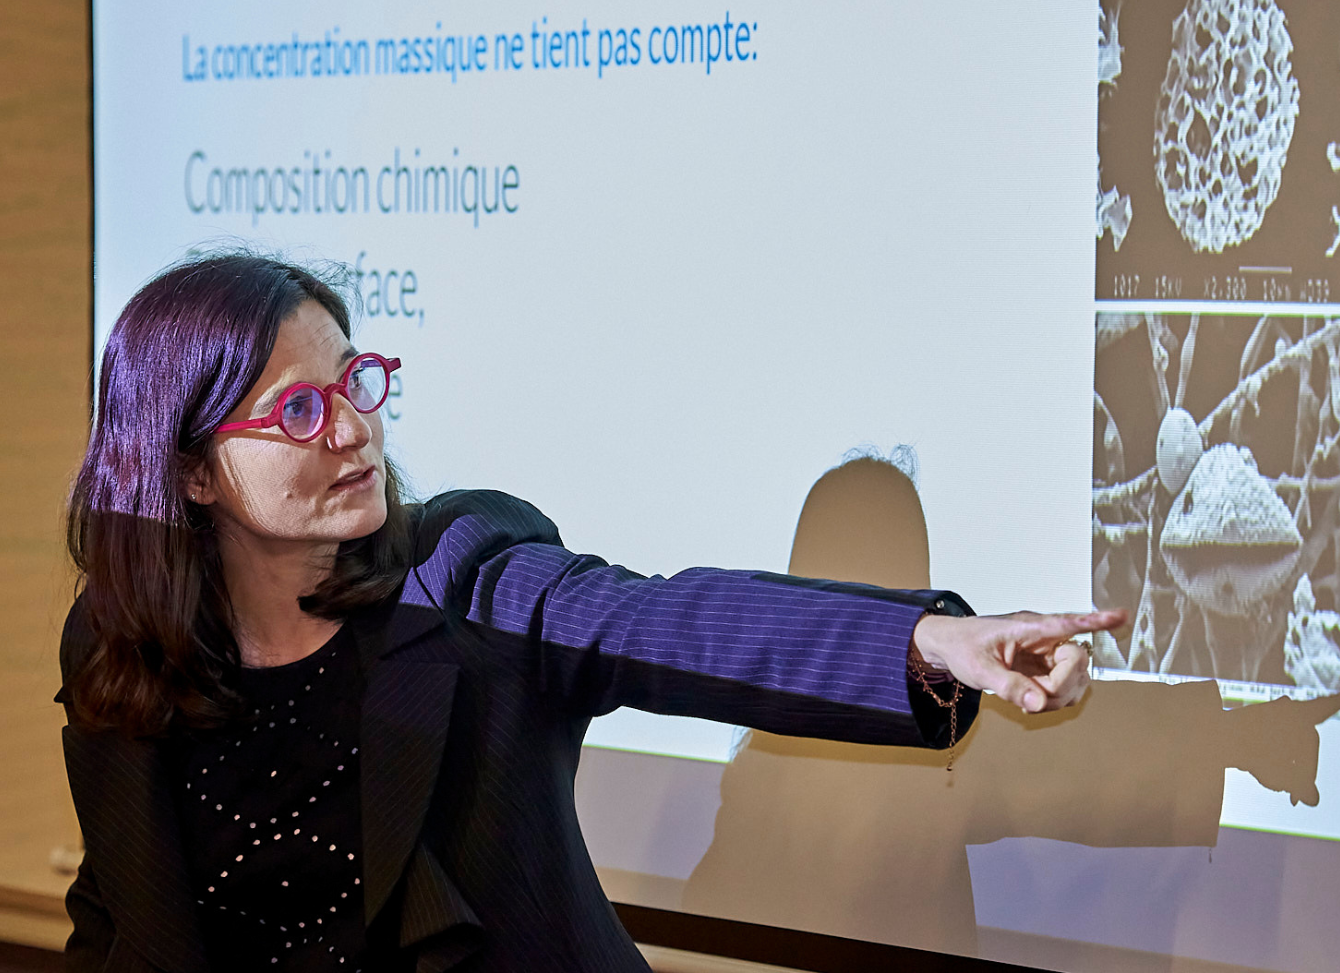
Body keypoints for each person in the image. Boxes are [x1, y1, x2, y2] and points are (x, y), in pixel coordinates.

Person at [56, 252, 1125, 972]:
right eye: (298, 408)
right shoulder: (124, 648)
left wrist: (925, 641)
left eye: (357, 382)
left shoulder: (461, 576)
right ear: (190, 470)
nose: (350, 431)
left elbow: (665, 624)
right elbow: (118, 909)